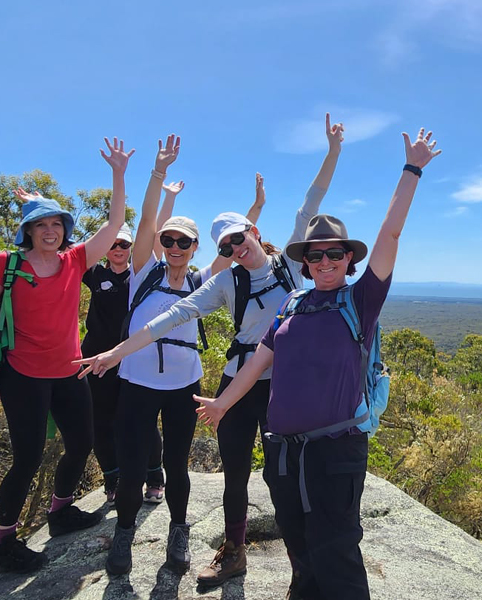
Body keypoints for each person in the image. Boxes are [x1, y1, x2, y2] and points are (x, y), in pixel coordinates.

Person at [75, 113, 345, 587]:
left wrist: (333, 152)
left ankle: (304, 568)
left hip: (287, 385)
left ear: (254, 234)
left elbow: (311, 202)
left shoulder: (294, 268)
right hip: (238, 383)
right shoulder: (223, 282)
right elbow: (169, 318)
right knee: (235, 473)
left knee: (286, 477)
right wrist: (116, 353)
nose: (237, 248)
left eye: (240, 238)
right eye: (228, 245)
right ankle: (234, 551)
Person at [194, 128, 442, 599]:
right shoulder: (291, 306)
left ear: (349, 259)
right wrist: (223, 404)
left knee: (338, 556)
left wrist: (412, 169)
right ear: (304, 263)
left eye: (334, 253)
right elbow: (256, 364)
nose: (324, 260)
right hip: (285, 453)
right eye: (315, 255)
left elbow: (391, 232)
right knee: (302, 553)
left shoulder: (360, 300)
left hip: (336, 452)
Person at [81, 135, 266, 576]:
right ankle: (124, 535)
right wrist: (157, 173)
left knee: (177, 468)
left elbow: (239, 245)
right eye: (170, 239)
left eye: (184, 241)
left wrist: (255, 208)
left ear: (197, 247)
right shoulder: (144, 271)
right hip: (137, 383)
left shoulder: (204, 280)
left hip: (183, 386)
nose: (175, 246)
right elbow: (145, 220)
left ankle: (178, 533)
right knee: (130, 468)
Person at [0, 137, 134, 574]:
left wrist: (118, 174)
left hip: (70, 372)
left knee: (82, 444)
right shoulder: (8, 264)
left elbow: (115, 224)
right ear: (28, 232)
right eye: (41, 225)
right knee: (28, 456)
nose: (50, 231)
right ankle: (4, 539)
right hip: (23, 374)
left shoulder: (75, 261)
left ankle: (59, 514)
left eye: (57, 224)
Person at [82, 181, 192, 506]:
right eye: (113, 243)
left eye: (123, 244)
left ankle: (154, 476)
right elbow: (68, 255)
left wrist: (168, 198)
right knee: (102, 422)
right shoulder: (94, 273)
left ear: (131, 247)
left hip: (134, 358)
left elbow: (156, 232)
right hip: (98, 358)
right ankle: (112, 481)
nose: (117, 248)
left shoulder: (142, 274)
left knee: (143, 422)